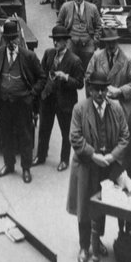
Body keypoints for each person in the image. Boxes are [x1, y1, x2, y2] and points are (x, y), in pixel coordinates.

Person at [68, 69, 130, 262]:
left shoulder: (116, 108)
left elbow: (125, 136)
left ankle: (97, 240)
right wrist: (93, 155)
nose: (100, 94)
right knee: (85, 206)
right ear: (90, 89)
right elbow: (75, 137)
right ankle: (84, 246)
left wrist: (112, 156)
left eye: (103, 89)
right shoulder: (80, 109)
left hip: (107, 165)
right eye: (96, 89)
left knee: (101, 205)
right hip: (87, 165)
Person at [0, 21, 42, 182]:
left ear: (18, 38)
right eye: (8, 39)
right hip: (4, 102)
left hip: (23, 103)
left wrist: (32, 94)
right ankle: (9, 164)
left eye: (14, 38)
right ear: (4, 39)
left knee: (25, 135)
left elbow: (42, 77)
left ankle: (26, 168)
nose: (11, 42)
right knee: (6, 134)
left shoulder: (28, 56)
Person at [36, 24, 84, 172]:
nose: (55, 42)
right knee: (44, 129)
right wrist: (42, 93)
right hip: (48, 99)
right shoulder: (49, 54)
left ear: (66, 41)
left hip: (65, 102)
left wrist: (66, 77)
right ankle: (41, 156)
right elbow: (42, 74)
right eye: (54, 40)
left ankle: (64, 160)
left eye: (59, 40)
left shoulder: (74, 60)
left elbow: (80, 83)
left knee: (66, 132)